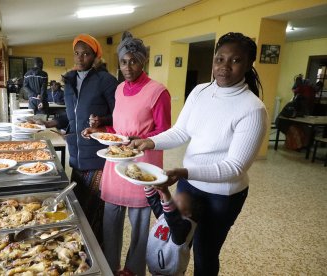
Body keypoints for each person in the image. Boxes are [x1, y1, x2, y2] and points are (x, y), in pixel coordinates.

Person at [131, 32, 268, 276]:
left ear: (248, 64)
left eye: (235, 60)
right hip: (189, 185)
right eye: (219, 59)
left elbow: (235, 167)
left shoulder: (253, 109)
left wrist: (184, 171)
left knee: (205, 252)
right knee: (178, 242)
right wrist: (149, 141)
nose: (224, 67)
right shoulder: (200, 92)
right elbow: (182, 131)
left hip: (222, 196)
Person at [83, 31, 171, 276]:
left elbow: (164, 132)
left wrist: (141, 140)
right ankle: (110, 268)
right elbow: (119, 131)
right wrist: (100, 129)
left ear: (143, 61)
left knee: (140, 226)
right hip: (115, 164)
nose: (128, 66)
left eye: (133, 60)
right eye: (123, 61)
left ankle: (133, 270)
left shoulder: (157, 91)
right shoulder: (120, 89)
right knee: (111, 223)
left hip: (141, 166)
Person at [32, 34, 118, 244]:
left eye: (86, 54)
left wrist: (101, 120)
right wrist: (49, 123)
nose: (80, 58)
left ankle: (97, 255)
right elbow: (71, 117)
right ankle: (81, 248)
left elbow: (119, 115)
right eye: (77, 53)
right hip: (77, 157)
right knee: (77, 208)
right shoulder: (69, 81)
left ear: (95, 56)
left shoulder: (105, 81)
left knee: (92, 212)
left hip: (98, 157)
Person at [144, 184, 197, 276]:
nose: (173, 200)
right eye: (174, 198)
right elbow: (154, 201)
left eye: (178, 201)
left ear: (187, 213)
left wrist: (165, 192)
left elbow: (172, 218)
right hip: (155, 269)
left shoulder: (185, 226)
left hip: (170, 272)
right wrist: (147, 183)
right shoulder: (164, 216)